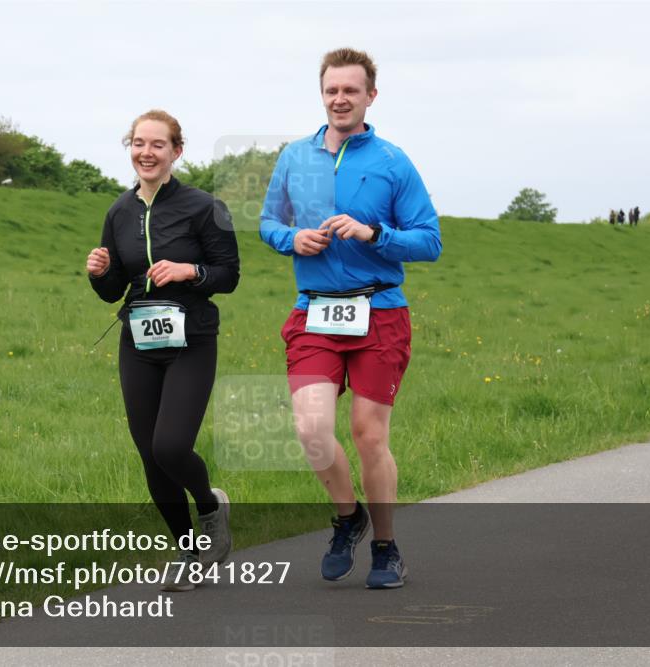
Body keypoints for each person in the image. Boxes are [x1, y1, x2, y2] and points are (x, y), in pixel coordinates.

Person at [260, 48, 441, 589]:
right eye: (332, 90)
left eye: (351, 91)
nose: (340, 99)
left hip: (379, 312)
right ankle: (347, 517)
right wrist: (292, 238)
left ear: (370, 96)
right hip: (315, 312)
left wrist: (373, 234)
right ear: (322, 94)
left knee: (368, 435)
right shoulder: (294, 156)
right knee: (311, 429)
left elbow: (429, 241)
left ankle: (386, 547)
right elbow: (269, 222)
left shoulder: (392, 162)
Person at [87, 110, 240, 591]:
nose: (146, 152)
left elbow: (229, 275)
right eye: (138, 143)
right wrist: (99, 273)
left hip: (192, 340)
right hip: (139, 341)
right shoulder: (119, 212)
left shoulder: (205, 207)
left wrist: (189, 271)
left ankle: (210, 505)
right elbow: (113, 289)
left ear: (177, 151)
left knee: (170, 446)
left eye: (157, 144)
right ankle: (189, 552)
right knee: (149, 456)